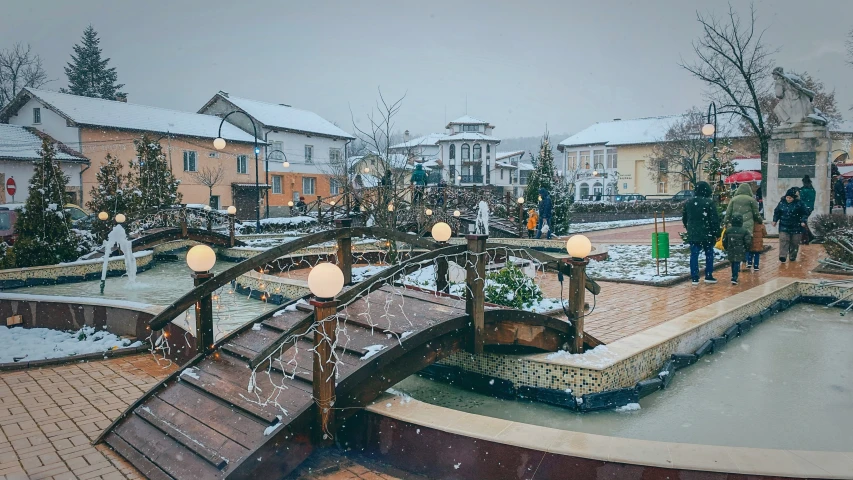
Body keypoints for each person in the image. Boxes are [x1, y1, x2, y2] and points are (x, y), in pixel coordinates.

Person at [682, 181, 721, 285]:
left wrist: (689, 228)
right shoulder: (709, 202)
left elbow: (684, 218)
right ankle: (708, 275)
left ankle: (694, 277)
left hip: (694, 233)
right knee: (709, 253)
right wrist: (717, 233)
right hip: (707, 233)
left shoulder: (689, 202)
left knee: (694, 254)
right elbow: (714, 220)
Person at [772, 188, 809, 262]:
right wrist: (775, 220)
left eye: (790, 198)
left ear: (794, 198)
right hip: (784, 225)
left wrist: (803, 221)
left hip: (796, 226)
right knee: (783, 240)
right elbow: (777, 212)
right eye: (787, 197)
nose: (788, 199)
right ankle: (783, 256)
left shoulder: (799, 203)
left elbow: (805, 213)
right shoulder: (782, 203)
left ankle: (792, 256)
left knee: (795, 242)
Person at [723, 215, 752, 285]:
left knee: (733, 262)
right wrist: (746, 248)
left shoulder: (728, 231)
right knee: (736, 262)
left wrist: (726, 247)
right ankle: (734, 277)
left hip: (731, 248)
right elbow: (748, 242)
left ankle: (734, 274)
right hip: (740, 249)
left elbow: (724, 241)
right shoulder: (744, 231)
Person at [799, 175, 816, 244]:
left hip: (805, 208)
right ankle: (808, 236)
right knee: (804, 222)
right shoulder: (812, 189)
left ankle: (806, 237)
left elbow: (802, 199)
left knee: (802, 222)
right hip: (809, 208)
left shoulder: (804, 190)